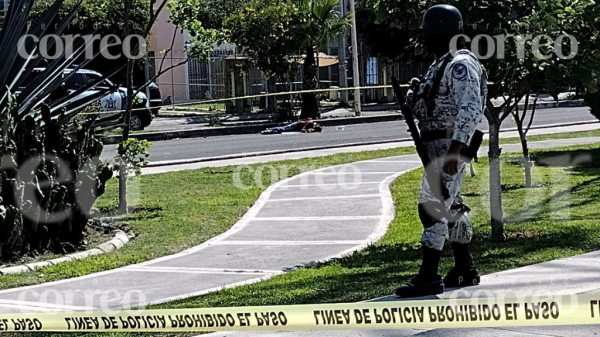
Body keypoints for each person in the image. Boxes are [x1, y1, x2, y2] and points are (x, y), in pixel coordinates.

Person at [395, 4, 487, 298]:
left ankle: (428, 275)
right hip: (436, 144)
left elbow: (471, 109)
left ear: (440, 32)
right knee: (452, 205)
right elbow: (434, 104)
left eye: (428, 34)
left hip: (450, 146)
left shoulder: (461, 64)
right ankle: (465, 267)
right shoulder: (442, 63)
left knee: (431, 206)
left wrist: (456, 150)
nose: (425, 40)